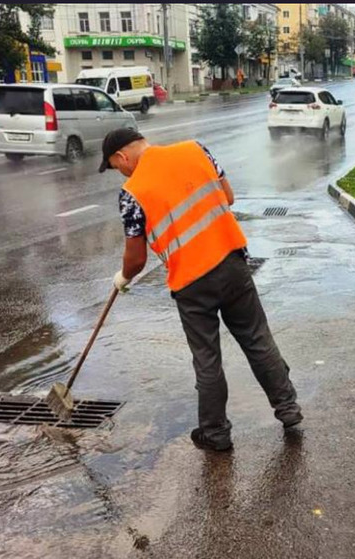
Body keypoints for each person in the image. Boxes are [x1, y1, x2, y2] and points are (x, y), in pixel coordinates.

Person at [99, 128, 303, 452]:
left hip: (192, 282)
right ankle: (288, 408)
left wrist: (122, 278)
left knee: (207, 359)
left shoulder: (131, 193)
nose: (120, 173)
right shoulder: (196, 150)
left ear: (122, 157)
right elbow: (228, 197)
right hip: (232, 262)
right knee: (257, 338)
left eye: (115, 166)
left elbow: (136, 259)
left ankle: (216, 433)